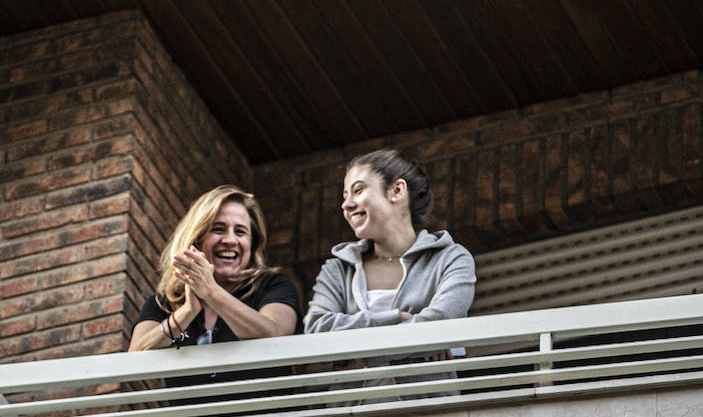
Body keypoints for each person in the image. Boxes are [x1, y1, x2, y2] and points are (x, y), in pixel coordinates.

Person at [304, 149, 475, 334]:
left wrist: (356, 356)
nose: (346, 205)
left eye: (358, 190)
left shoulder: (451, 259)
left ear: (397, 190)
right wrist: (395, 318)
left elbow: (439, 328)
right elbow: (316, 328)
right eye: (345, 196)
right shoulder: (337, 270)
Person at [129, 185, 299, 355]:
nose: (230, 240)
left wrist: (210, 291)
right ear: (197, 239)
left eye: (240, 232)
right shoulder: (166, 301)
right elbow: (134, 356)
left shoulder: (273, 285)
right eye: (218, 229)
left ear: (252, 245)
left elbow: (276, 334)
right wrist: (187, 312)